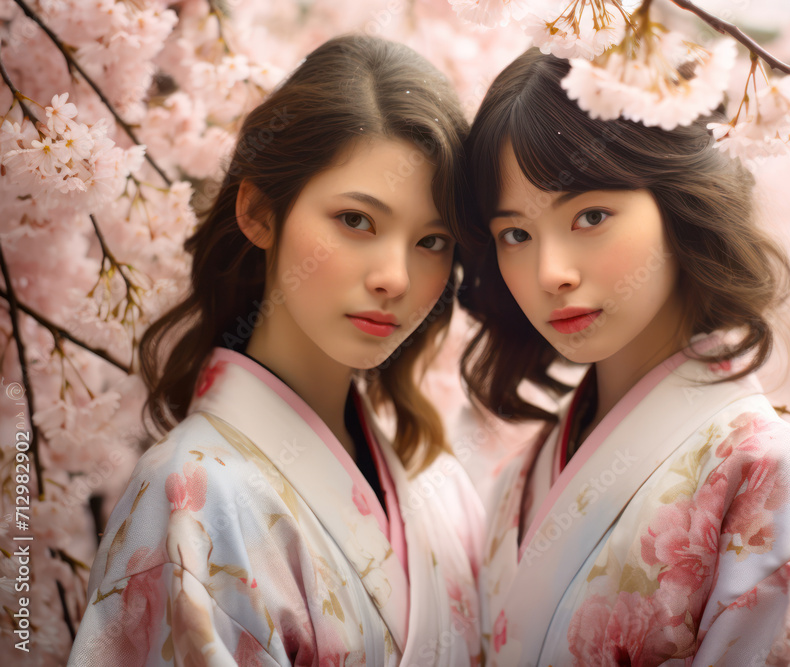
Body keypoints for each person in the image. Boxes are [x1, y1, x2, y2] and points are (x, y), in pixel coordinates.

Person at [459, 48, 790, 666]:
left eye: (591, 215)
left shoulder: (766, 473)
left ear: (680, 202)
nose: (551, 273)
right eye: (515, 234)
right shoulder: (518, 479)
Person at [69, 35, 482, 666]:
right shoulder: (191, 492)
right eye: (356, 220)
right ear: (259, 211)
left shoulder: (439, 483)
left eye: (432, 241)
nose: (395, 278)